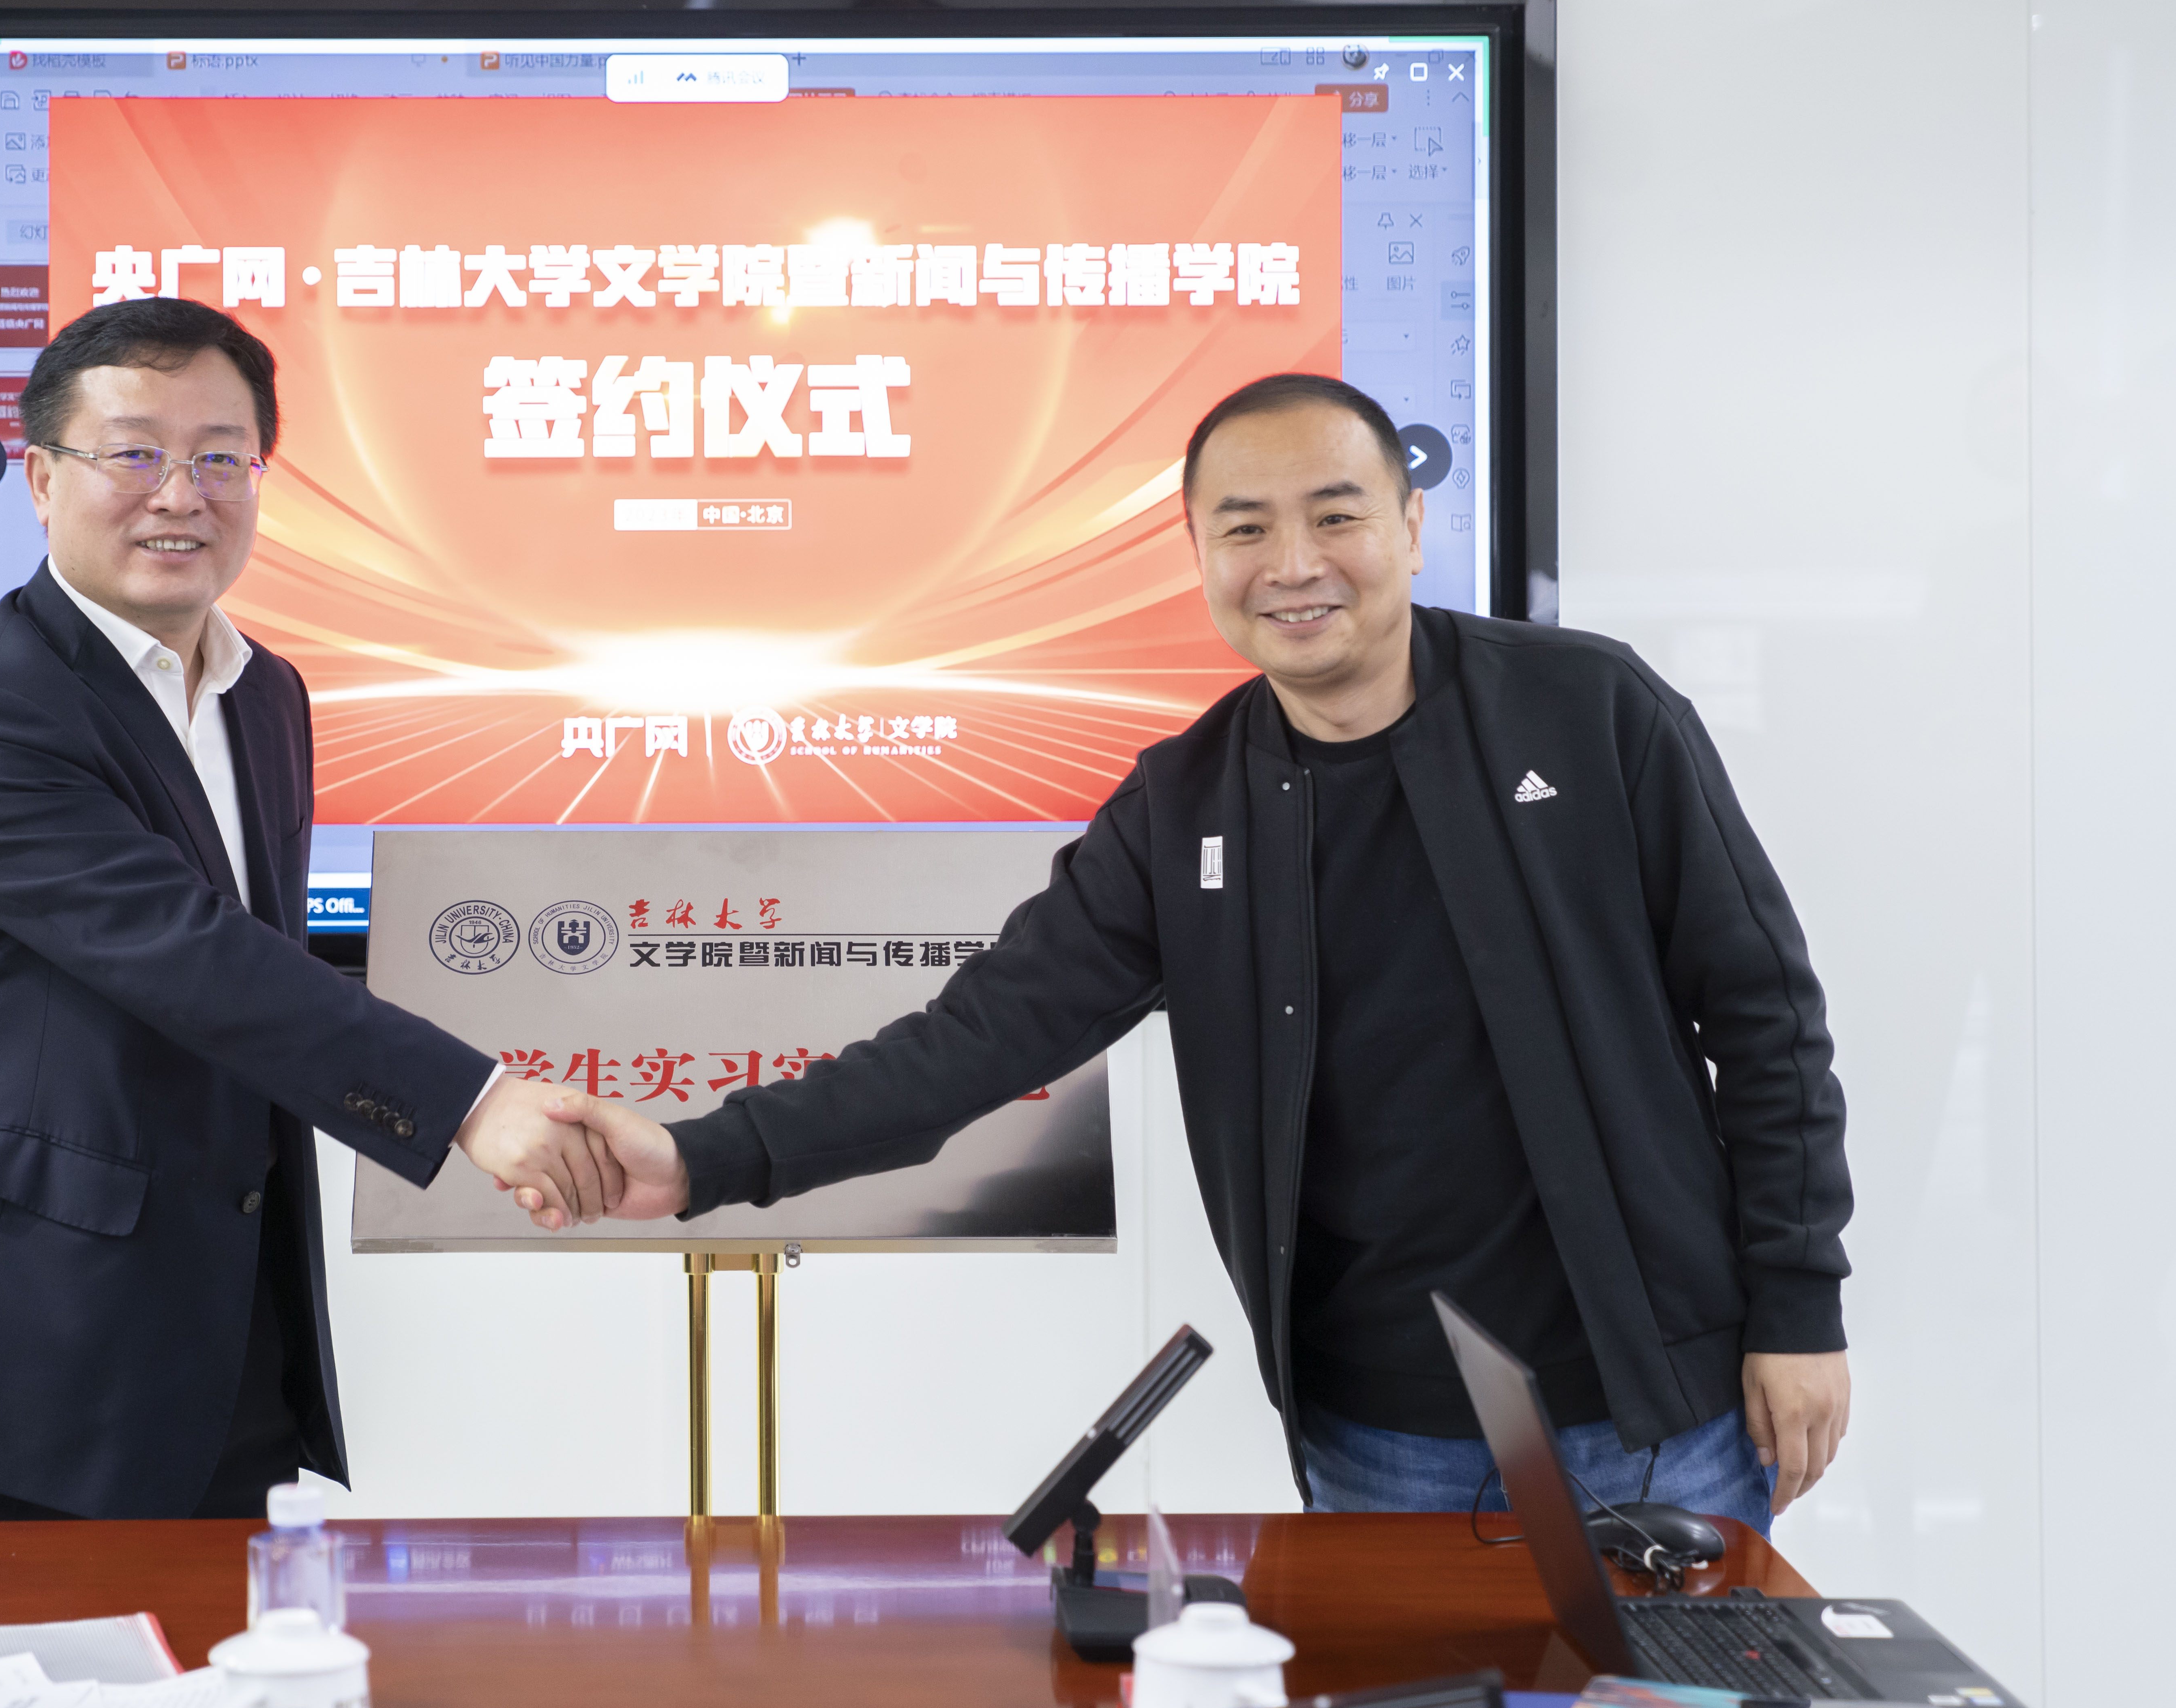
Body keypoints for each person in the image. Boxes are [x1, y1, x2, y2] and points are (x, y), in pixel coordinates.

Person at [561, 374, 1854, 1534]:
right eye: (1243, 530)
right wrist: (701, 1157)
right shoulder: (1181, 807)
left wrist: (1797, 1311)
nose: (1293, 564)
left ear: (1410, 527)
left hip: (1654, 1406)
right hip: (1378, 1430)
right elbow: (978, 1041)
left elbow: (1763, 1018)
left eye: (1335, 516)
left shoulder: (1590, 711)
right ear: (1198, 556)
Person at [0, 298, 616, 1522]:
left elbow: (259, 971)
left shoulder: (264, 693)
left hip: (219, 1339)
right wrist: (470, 1103)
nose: (180, 495)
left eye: (220, 458)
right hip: (4, 1356)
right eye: (133, 454)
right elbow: (193, 959)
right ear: (41, 480)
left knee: (228, 1656)